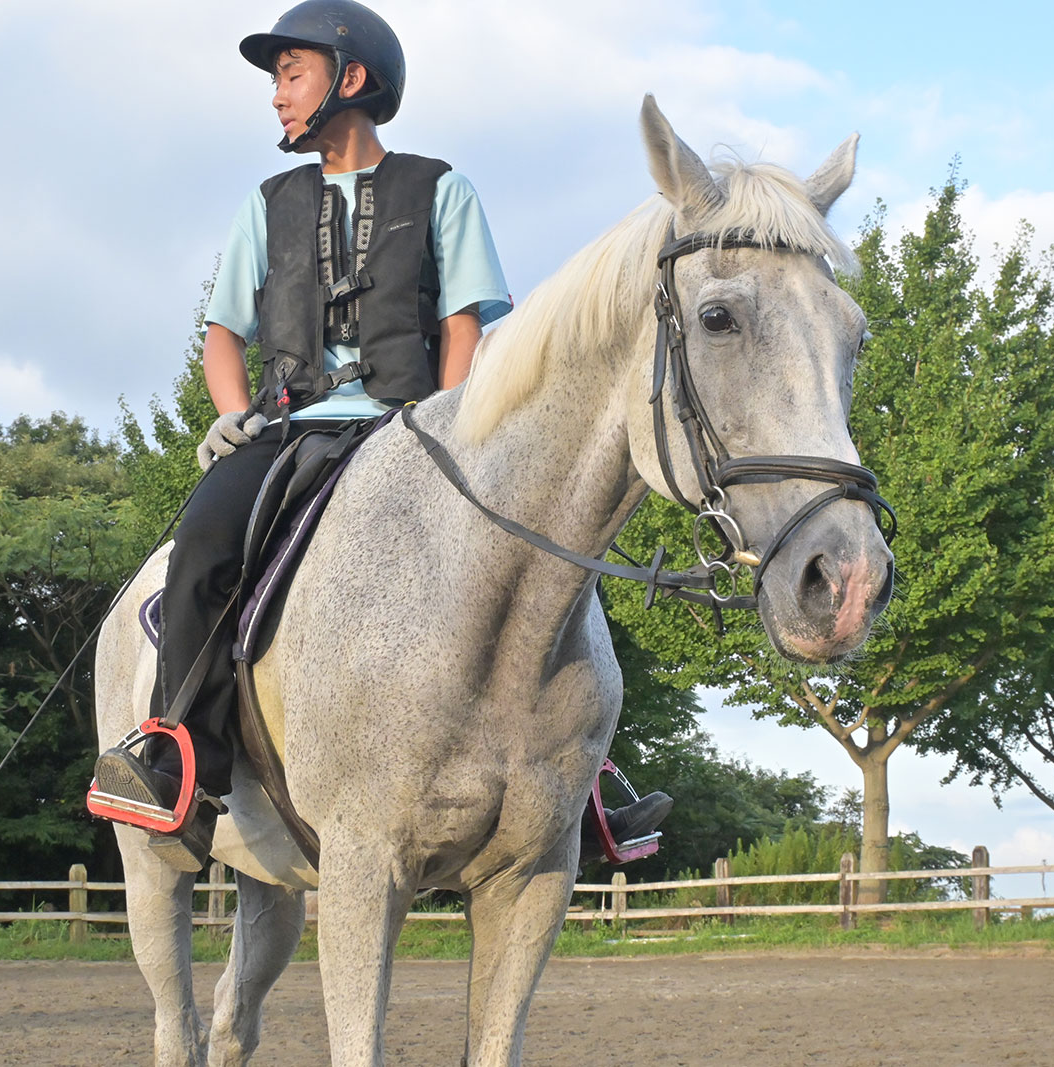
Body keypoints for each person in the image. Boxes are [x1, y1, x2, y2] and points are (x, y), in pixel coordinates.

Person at [92, 0, 670, 873]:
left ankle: (585, 777)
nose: (277, 95)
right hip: (288, 431)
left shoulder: (444, 190)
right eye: (276, 80)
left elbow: (467, 320)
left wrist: (455, 423)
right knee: (206, 540)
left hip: (418, 429)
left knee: (549, 552)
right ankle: (179, 755)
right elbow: (223, 335)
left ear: (349, 77)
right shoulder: (266, 203)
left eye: (291, 73)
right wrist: (229, 410)